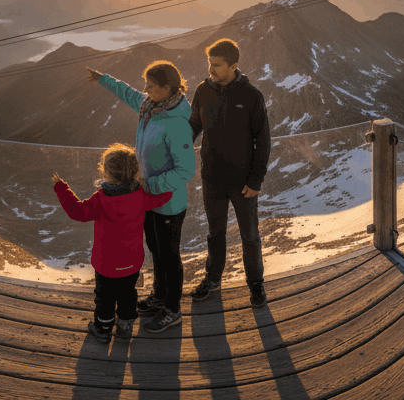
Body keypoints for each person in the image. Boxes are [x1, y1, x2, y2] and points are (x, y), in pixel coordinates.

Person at [86, 61, 195, 334]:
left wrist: (149, 185)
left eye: (150, 85)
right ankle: (159, 296)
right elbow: (128, 93)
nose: (144, 90)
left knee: (169, 257)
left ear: (166, 88)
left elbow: (186, 170)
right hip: (148, 201)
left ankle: (173, 309)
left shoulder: (177, 123)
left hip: (168, 204)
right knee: (157, 252)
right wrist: (103, 79)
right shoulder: (151, 109)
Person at [53, 144, 172, 344]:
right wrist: (171, 187)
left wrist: (61, 187)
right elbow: (160, 199)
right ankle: (125, 327)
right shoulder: (141, 197)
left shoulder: (100, 200)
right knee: (128, 294)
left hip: (105, 263)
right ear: (135, 171)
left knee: (104, 298)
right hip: (132, 261)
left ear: (106, 172)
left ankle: (103, 329)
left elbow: (76, 211)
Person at [188, 38, 272, 308]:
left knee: (250, 235)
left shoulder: (251, 96)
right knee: (215, 234)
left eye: (216, 65)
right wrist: (175, 146)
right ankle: (212, 280)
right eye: (209, 63)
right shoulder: (203, 90)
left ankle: (256, 284)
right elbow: (193, 125)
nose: (210, 69)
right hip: (212, 178)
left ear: (233, 66)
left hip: (243, 182)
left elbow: (263, 140)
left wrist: (256, 180)